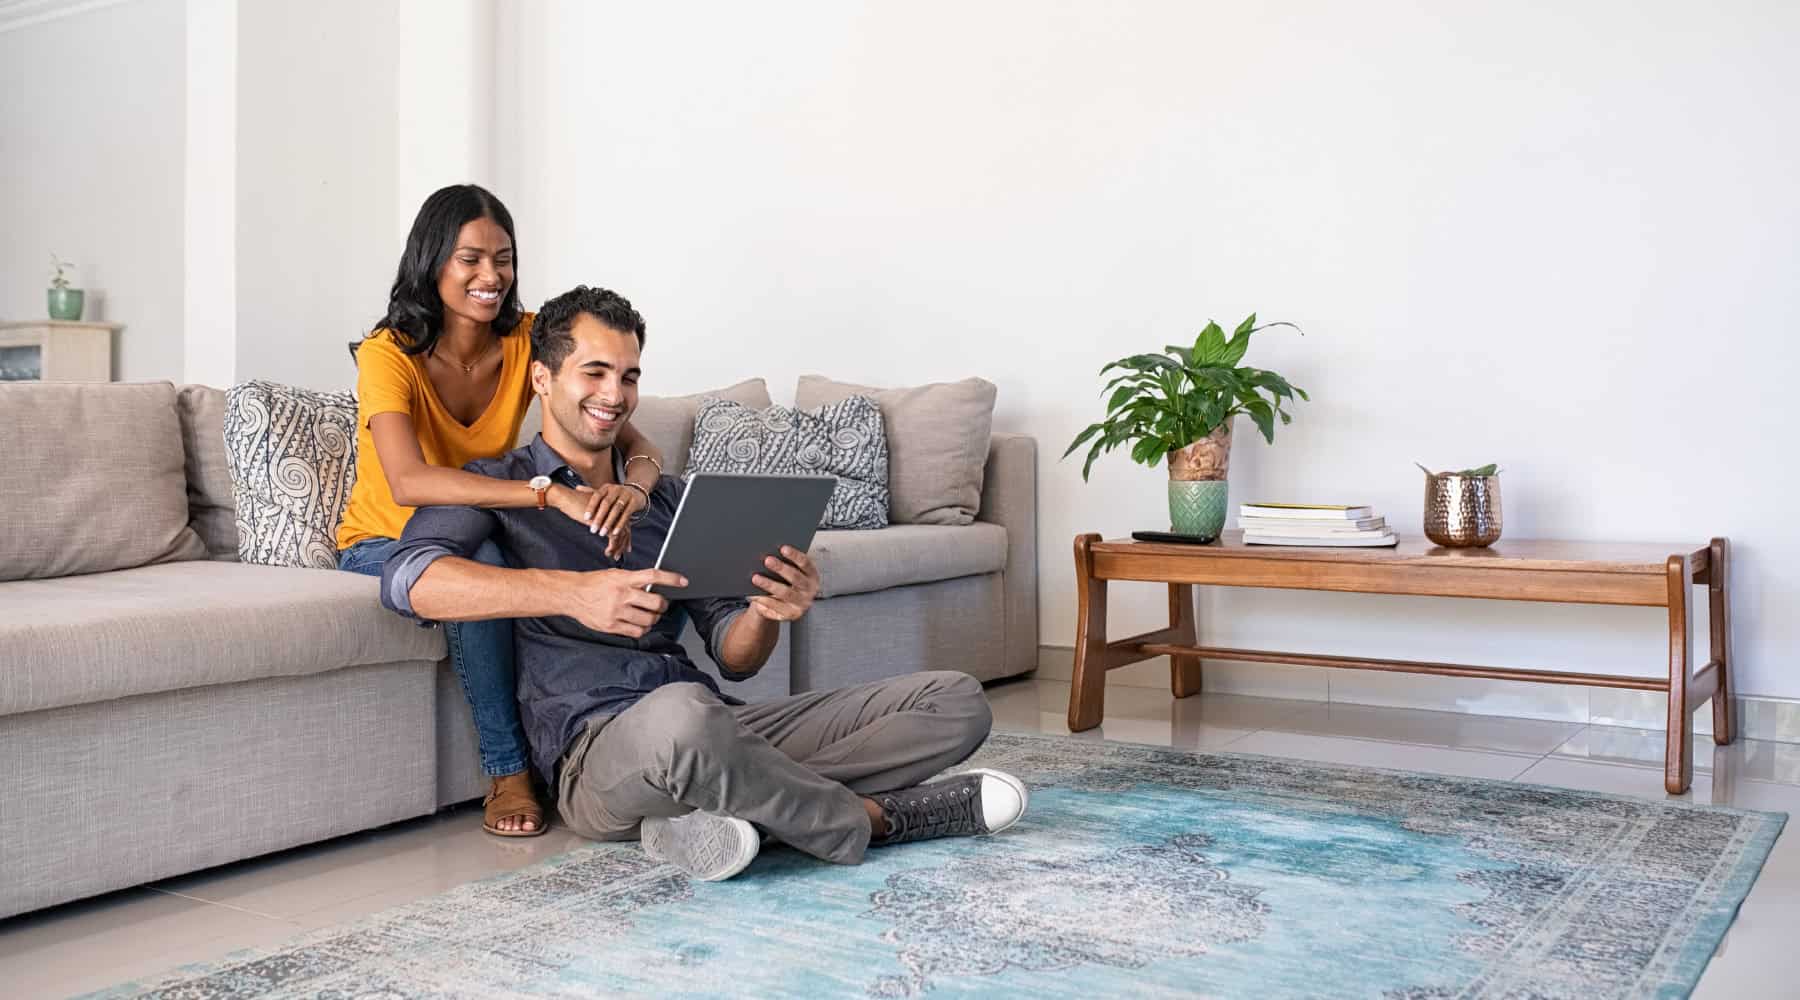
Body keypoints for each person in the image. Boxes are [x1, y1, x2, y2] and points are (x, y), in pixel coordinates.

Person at [376, 285, 1028, 881]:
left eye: (629, 376)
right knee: (686, 725)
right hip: (596, 755)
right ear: (542, 378)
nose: (614, 395)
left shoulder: (665, 498)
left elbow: (736, 661)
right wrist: (571, 593)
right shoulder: (500, 487)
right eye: (594, 372)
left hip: (715, 723)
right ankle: (873, 820)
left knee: (956, 699)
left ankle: (715, 812)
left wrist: (770, 610)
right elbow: (408, 580)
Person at [337, 184, 670, 838]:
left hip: (483, 516)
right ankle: (508, 769)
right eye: (470, 259)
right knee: (482, 561)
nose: (491, 276)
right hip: (385, 537)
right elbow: (407, 482)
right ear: (432, 262)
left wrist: (634, 489)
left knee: (550, 554)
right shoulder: (388, 352)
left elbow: (631, 435)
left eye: (504, 258)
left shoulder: (527, 339)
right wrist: (546, 493)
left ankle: (612, 739)